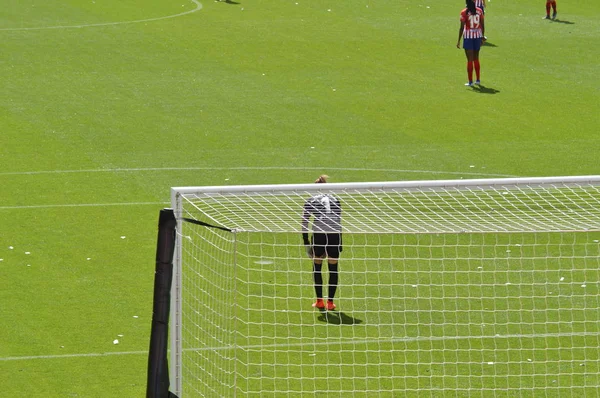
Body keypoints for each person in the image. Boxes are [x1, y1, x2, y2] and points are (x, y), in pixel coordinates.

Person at [301, 175, 342, 311]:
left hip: (319, 235)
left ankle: (319, 301)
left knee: (317, 265)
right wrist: (340, 241)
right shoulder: (336, 199)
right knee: (333, 268)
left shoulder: (311, 200)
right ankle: (330, 303)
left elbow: (305, 223)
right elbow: (338, 221)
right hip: (334, 235)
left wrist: (306, 241)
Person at [457, 0, 485, 87]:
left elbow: (462, 28)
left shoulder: (464, 12)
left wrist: (458, 40)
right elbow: (482, 25)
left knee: (469, 59)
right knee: (476, 58)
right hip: (477, 36)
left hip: (468, 37)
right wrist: (482, 36)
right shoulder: (479, 11)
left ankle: (470, 82)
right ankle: (478, 80)